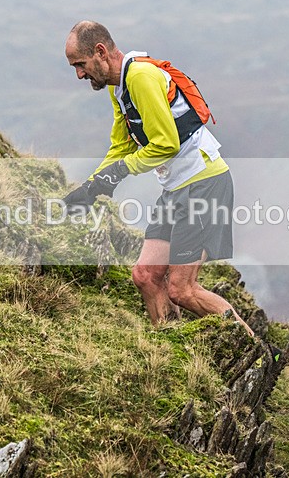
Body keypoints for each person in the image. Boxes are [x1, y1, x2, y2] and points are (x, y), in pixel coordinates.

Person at [62, 20, 253, 336]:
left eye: (80, 65)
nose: (79, 75)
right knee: (146, 276)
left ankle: (257, 350)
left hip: (203, 182)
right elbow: (121, 147)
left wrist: (119, 172)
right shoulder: (119, 88)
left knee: (183, 290)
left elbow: (166, 143)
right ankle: (172, 348)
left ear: (100, 51)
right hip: (175, 187)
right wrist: (91, 186)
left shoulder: (141, 77)